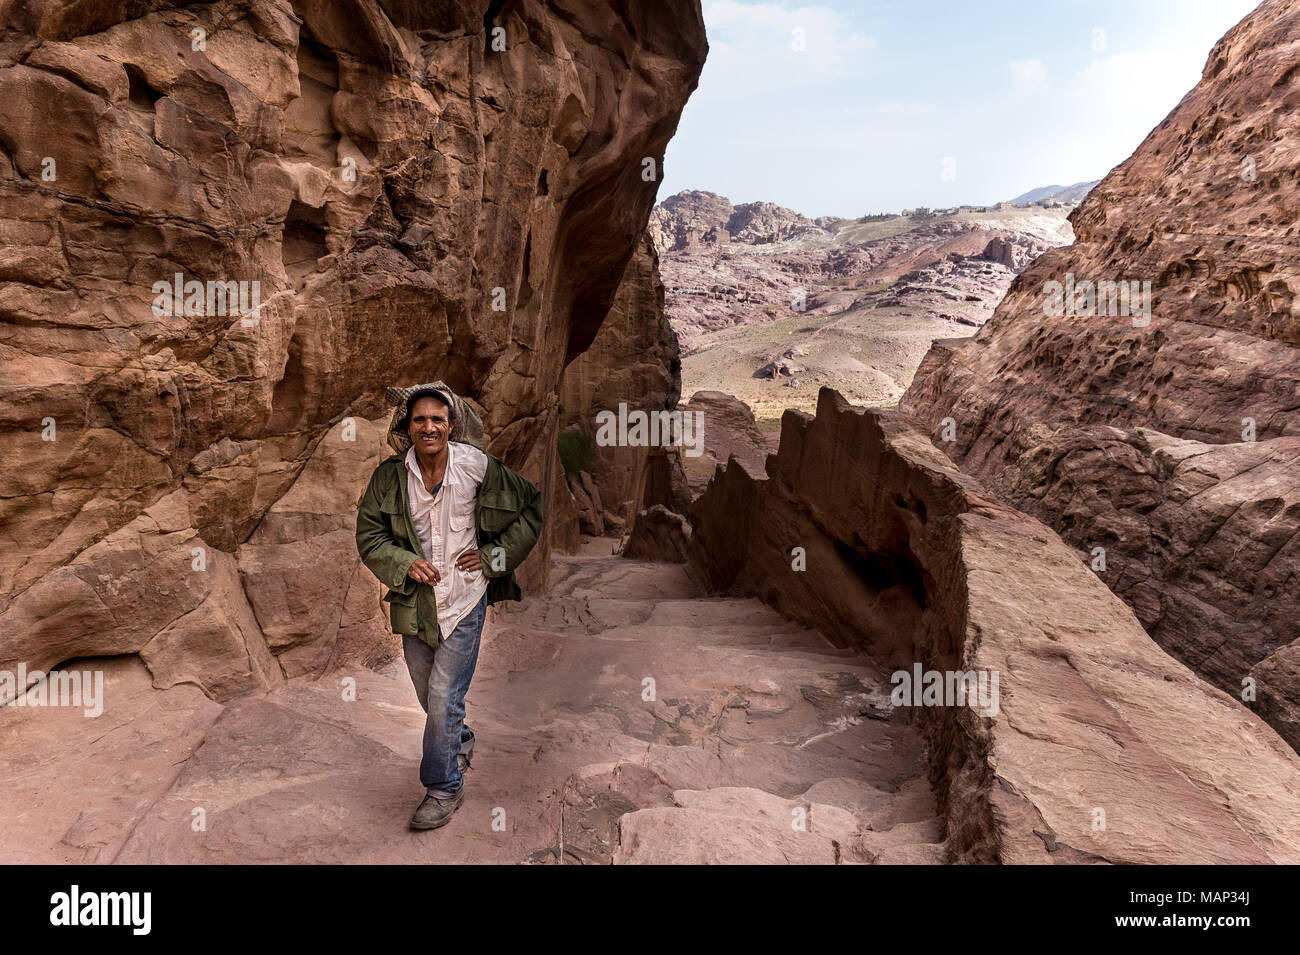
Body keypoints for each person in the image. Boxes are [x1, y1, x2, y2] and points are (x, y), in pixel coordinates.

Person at [355, 383, 542, 830]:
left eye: (438, 418)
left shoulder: (477, 467)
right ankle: (460, 738)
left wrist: (495, 558)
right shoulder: (389, 477)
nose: (429, 427)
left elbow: (530, 507)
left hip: (465, 597)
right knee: (429, 693)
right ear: (408, 427)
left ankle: (444, 787)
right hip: (415, 605)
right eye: (419, 419)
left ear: (451, 425)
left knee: (442, 696)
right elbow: (369, 536)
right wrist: (404, 561)